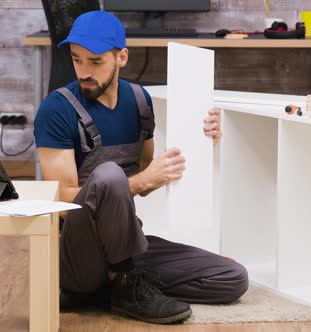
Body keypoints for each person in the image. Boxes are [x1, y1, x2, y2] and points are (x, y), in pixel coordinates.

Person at [34, 10, 248, 324]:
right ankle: (112, 283)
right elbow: (62, 201)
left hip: (125, 243)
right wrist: (135, 182)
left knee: (232, 277)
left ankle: (114, 288)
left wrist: (203, 144)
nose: (83, 71)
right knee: (109, 175)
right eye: (77, 59)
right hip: (77, 252)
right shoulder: (56, 109)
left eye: (95, 61)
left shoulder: (139, 101)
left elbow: (149, 174)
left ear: (121, 57)